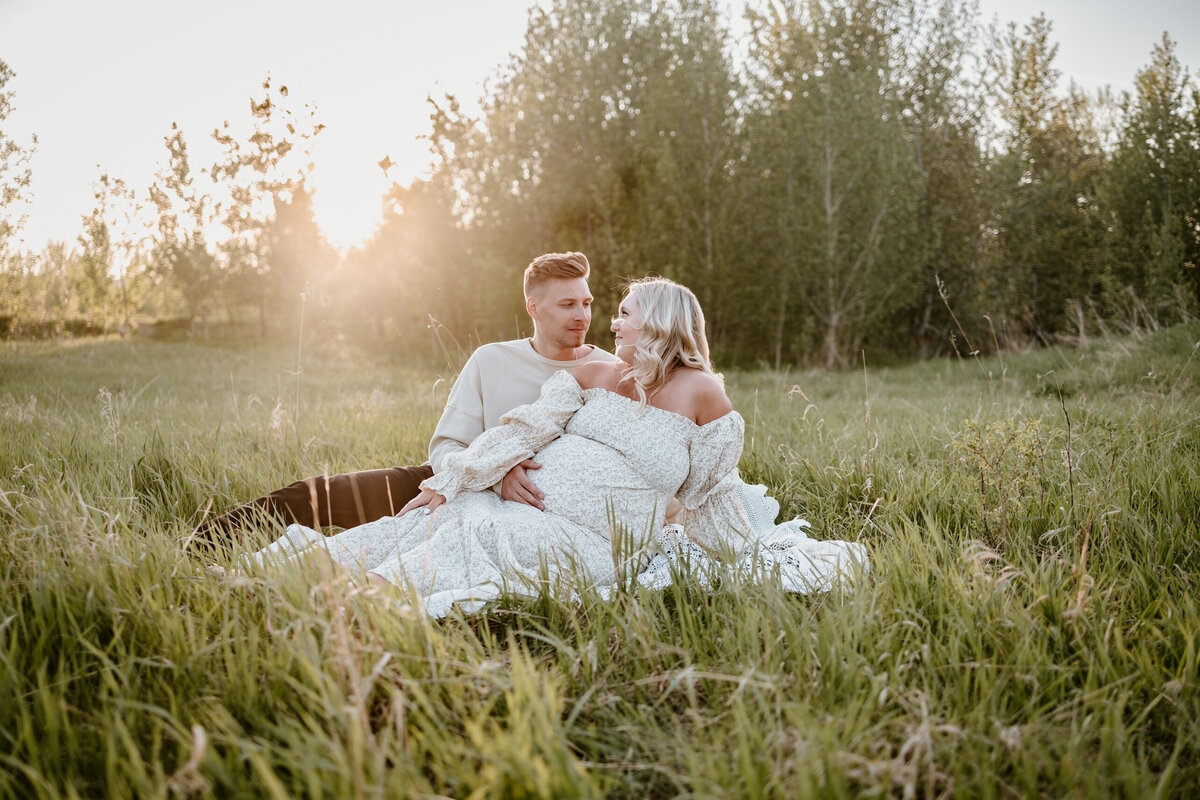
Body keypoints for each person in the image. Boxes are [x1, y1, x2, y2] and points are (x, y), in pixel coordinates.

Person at [225, 278, 754, 612]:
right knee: (420, 523)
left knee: (479, 541)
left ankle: (349, 604)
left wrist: (740, 557)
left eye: (624, 312)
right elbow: (522, 430)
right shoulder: (596, 373)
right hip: (516, 497)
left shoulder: (704, 394)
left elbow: (713, 490)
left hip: (589, 537)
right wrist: (454, 477)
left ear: (660, 321)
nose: (611, 322)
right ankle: (264, 576)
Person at [195, 251, 619, 543]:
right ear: (534, 307)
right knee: (312, 495)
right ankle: (195, 549)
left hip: (548, 514)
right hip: (462, 483)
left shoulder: (610, 372)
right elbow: (445, 446)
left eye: (587, 302)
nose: (582, 315)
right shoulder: (491, 360)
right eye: (568, 304)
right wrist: (495, 474)